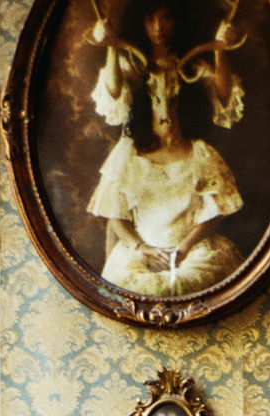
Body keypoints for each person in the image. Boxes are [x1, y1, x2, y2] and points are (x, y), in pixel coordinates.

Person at [86, 1, 246, 297]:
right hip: (142, 254)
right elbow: (112, 91)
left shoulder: (200, 153)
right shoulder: (130, 154)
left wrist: (220, 49)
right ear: (141, 23)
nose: (159, 27)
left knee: (196, 286)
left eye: (167, 18)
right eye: (150, 19)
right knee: (132, 287)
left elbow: (223, 95)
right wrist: (111, 46)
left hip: (192, 254)